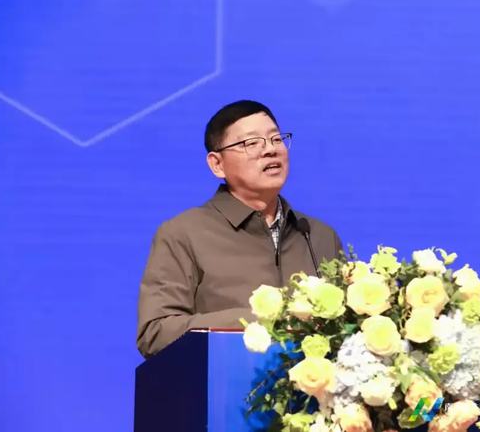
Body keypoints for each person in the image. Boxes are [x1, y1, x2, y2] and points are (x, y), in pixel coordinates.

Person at [136, 100, 343, 357]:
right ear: (217, 164)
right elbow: (156, 332)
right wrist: (257, 321)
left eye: (276, 139)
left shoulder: (318, 235)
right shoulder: (183, 233)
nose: (270, 150)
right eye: (251, 143)